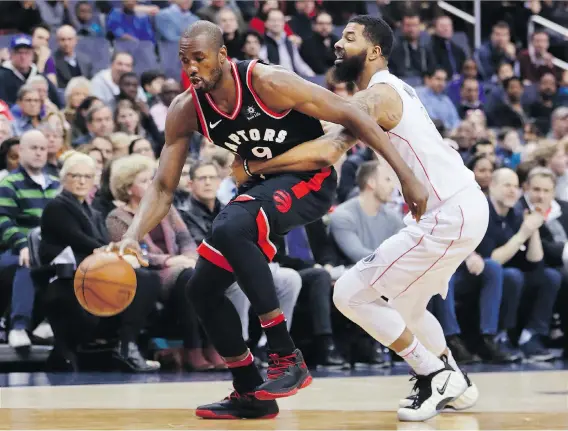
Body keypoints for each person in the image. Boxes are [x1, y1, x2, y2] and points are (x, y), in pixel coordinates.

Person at [102, 20, 427, 420]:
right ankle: (250, 392)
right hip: (261, 189)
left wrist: (406, 177)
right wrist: (134, 234)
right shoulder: (185, 109)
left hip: (311, 179)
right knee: (201, 289)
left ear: (222, 55)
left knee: (229, 225)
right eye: (184, 60)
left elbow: (351, 115)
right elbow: (164, 186)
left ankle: (285, 353)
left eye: (199, 58)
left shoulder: (267, 81)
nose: (191, 68)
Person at [235, 15, 489, 422]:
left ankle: (434, 373)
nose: (338, 43)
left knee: (350, 293)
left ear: (373, 51)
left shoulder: (379, 96)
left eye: (348, 38)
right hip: (460, 207)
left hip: (449, 211)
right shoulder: (387, 91)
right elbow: (325, 123)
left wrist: (255, 166)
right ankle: (454, 381)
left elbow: (327, 147)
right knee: (407, 307)